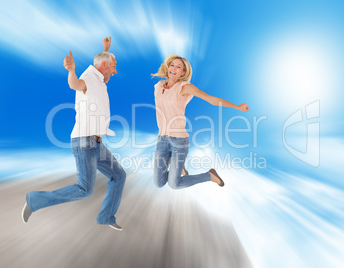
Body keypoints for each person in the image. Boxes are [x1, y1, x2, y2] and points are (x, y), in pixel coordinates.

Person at [22, 37, 126, 231]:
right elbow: (75, 84)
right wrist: (71, 71)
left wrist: (105, 49)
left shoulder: (98, 77)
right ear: (104, 65)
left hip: (96, 143)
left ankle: (106, 217)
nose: (115, 70)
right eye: (113, 66)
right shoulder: (88, 78)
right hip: (84, 142)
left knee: (119, 175)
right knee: (85, 189)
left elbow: (99, 67)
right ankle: (34, 200)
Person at [151, 54, 249, 189]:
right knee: (158, 183)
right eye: (172, 65)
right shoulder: (158, 86)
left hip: (178, 141)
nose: (174, 68)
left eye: (178, 67)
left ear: (183, 73)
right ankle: (180, 168)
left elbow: (211, 99)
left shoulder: (184, 88)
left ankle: (209, 175)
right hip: (162, 139)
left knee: (174, 184)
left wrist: (237, 106)